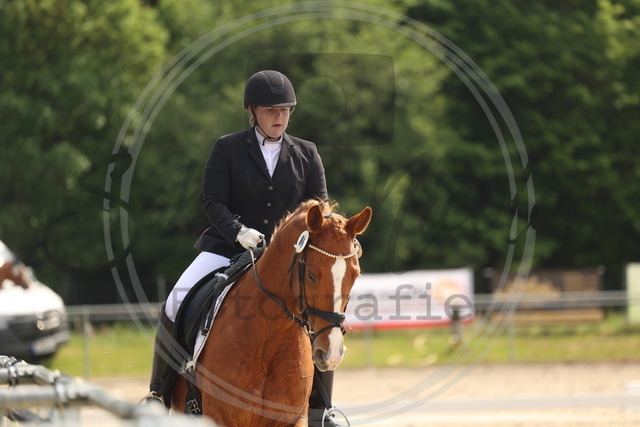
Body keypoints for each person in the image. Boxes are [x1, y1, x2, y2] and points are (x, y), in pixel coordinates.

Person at [143, 70, 344, 426]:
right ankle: (159, 392)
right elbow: (213, 201)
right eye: (270, 110)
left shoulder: (307, 153)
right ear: (252, 111)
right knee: (175, 301)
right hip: (227, 247)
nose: (278, 117)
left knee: (321, 313)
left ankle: (322, 409)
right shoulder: (228, 148)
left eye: (284, 110)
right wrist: (237, 232)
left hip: (287, 260)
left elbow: (320, 211)